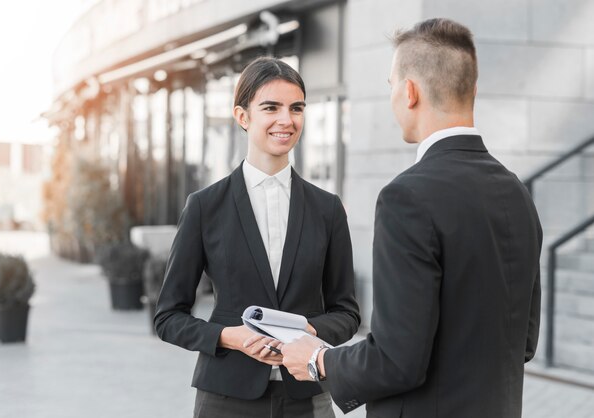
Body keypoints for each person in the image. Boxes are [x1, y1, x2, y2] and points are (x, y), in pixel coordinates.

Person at [282, 18, 542, 418]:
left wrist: (319, 360)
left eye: (390, 87)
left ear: (410, 92)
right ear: (471, 89)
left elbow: (397, 360)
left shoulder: (406, 198)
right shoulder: (517, 193)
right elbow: (523, 343)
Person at [154, 56, 361, 418]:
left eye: (296, 108)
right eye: (271, 107)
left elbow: (346, 312)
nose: (287, 119)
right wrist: (227, 337)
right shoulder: (205, 207)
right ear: (242, 116)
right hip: (225, 397)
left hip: (306, 396)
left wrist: (305, 330)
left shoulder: (327, 209)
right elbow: (168, 316)